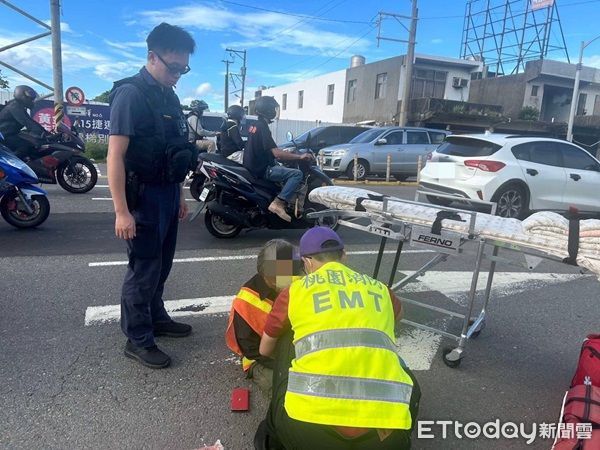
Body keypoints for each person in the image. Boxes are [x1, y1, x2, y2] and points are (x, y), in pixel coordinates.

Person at [258, 227, 420, 450]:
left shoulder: (294, 291)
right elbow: (398, 317)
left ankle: (275, 437)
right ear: (344, 255)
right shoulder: (380, 288)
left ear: (306, 262)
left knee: (286, 336)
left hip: (307, 430)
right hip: (386, 436)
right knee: (390, 349)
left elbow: (264, 350)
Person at [107, 22, 198, 369]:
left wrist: (178, 197)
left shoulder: (168, 96)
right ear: (151, 56)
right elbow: (115, 156)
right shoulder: (131, 94)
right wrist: (121, 211)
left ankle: (157, 317)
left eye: (183, 69)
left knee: (162, 265)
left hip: (165, 192)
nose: (178, 74)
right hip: (141, 196)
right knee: (144, 268)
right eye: (173, 67)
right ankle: (138, 338)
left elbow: (172, 150)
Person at [225, 239, 302, 396]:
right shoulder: (246, 301)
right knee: (286, 392)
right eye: (280, 277)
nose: (288, 280)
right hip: (264, 357)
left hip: (295, 345)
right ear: (266, 275)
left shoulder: (299, 280)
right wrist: (285, 366)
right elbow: (251, 350)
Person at [243, 96, 312, 223]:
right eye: (273, 108)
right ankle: (278, 203)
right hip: (262, 169)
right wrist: (299, 156)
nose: (275, 111)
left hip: (252, 165)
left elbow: (268, 148)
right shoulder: (262, 127)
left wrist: (286, 152)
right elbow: (277, 154)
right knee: (297, 174)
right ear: (267, 109)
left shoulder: (255, 125)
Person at [0, 85, 47, 160]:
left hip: (11, 134)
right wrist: (44, 134)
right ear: (22, 96)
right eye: (31, 99)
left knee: (33, 144)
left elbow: (31, 121)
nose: (32, 101)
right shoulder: (14, 106)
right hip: (4, 135)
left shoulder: (19, 107)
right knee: (25, 146)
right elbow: (27, 123)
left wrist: (46, 132)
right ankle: (12, 166)